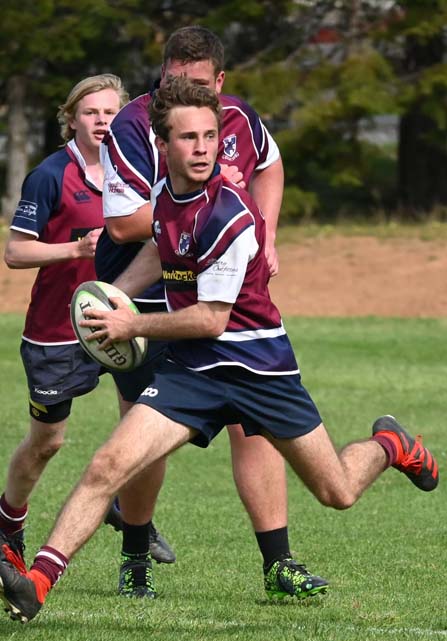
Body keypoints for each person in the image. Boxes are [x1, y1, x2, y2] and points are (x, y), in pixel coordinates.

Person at [0, 77, 439, 623]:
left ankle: (391, 444)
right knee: (108, 463)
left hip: (258, 368)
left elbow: (211, 319)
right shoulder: (166, 196)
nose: (203, 148)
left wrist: (130, 323)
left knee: (338, 491)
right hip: (194, 371)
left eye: (210, 136)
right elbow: (161, 250)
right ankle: (37, 584)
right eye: (189, 138)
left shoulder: (229, 214)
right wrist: (117, 294)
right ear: (163, 146)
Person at [98, 26, 309, 599]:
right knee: (145, 437)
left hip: (220, 301)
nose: (182, 93)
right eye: (173, 81)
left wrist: (264, 233)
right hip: (146, 298)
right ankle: (135, 556)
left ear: (219, 83)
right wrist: (210, 195)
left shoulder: (238, 118)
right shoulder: (133, 126)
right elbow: (122, 225)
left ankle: (279, 563)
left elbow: (270, 165)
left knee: (252, 424)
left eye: (196, 83)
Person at [0, 74, 128, 562]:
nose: (102, 121)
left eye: (111, 112)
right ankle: (8, 522)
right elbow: (15, 252)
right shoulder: (50, 175)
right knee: (47, 443)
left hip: (121, 323)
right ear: (71, 119)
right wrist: (76, 249)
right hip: (56, 332)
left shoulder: (134, 171)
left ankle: (125, 506)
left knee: (150, 418)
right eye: (91, 112)